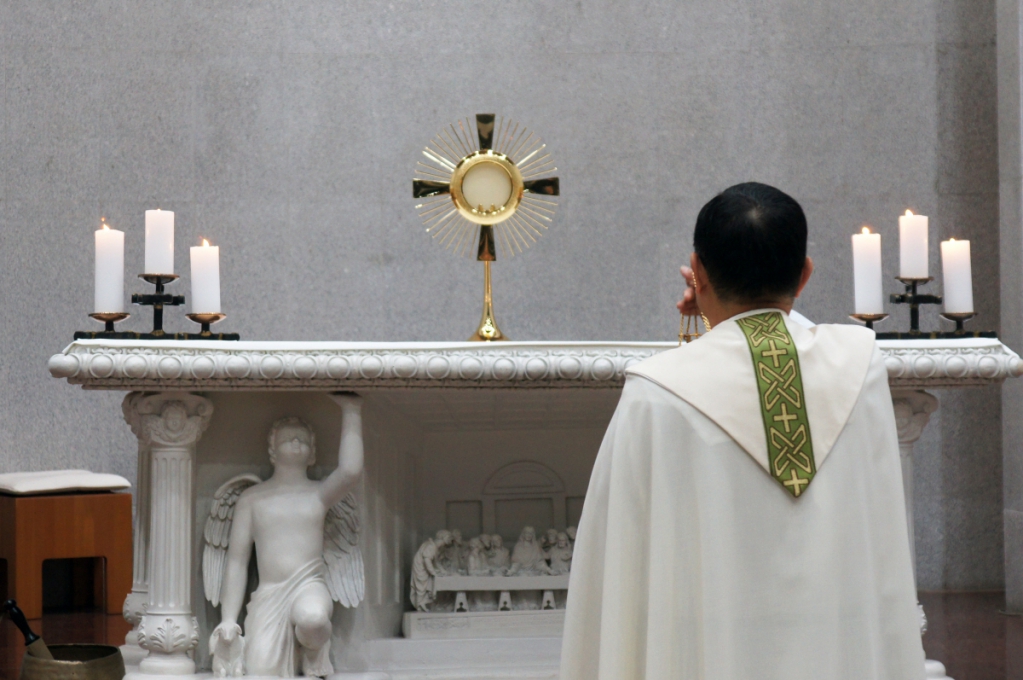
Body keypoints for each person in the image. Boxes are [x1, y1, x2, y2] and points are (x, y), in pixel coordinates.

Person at [561, 183, 925, 680]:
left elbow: (619, 566)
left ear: (697, 270)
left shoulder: (656, 392)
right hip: (835, 647)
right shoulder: (859, 366)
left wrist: (718, 311)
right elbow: (783, 334)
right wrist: (735, 309)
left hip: (708, 650)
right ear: (805, 273)